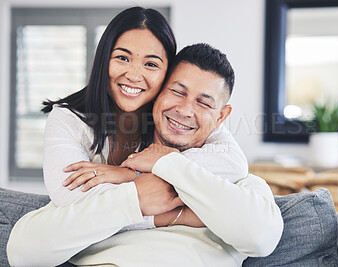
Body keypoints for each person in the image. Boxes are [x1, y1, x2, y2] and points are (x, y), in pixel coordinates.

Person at [7, 43, 284, 267]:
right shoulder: (101, 182)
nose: (185, 110)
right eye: (177, 91)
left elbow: (261, 237)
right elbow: (24, 252)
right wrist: (137, 199)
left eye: (203, 102)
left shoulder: (239, 184)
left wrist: (165, 164)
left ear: (221, 116)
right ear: (157, 94)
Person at [39, 6, 248, 232]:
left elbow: (233, 163)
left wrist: (130, 174)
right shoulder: (67, 118)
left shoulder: (173, 116)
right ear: (103, 60)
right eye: (122, 58)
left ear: (167, 73)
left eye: (151, 64)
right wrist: (164, 212)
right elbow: (70, 199)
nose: (134, 75)